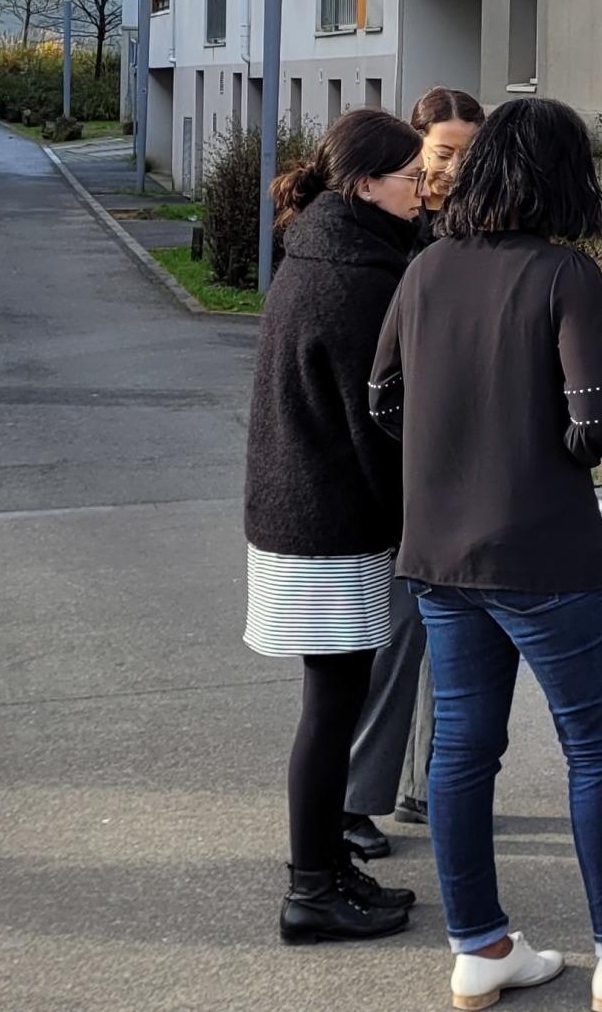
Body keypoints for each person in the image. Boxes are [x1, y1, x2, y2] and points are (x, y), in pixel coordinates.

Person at [371, 98, 602, 1012]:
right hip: (544, 550)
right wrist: (570, 434)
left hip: (439, 554)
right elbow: (595, 423)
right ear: (562, 176)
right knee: (599, 752)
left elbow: (382, 399)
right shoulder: (563, 272)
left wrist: (450, 443)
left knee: (462, 750)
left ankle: (481, 947)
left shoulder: (424, 270)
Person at [241, 107, 428, 946]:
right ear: (364, 184)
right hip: (328, 523)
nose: (423, 190)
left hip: (303, 514)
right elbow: (376, 422)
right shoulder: (356, 277)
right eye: (410, 177)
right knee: (329, 709)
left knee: (334, 702)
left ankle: (326, 866)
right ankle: (311, 888)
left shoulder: (322, 248)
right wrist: (418, 518)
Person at [338, 88, 488, 857]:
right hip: (401, 466)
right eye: (441, 152)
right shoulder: (390, 235)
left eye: (467, 152)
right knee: (398, 639)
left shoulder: (476, 226)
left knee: (458, 641)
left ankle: (432, 784)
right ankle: (357, 800)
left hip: (462, 462)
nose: (453, 168)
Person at [409, 86, 486, 244]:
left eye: (466, 156)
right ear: (416, 144)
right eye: (443, 155)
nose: (454, 169)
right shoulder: (395, 205)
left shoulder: (485, 212)